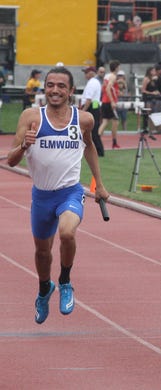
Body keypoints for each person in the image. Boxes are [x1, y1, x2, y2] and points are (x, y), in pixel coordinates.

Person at [6, 66, 110, 324]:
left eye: (61, 86)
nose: (55, 90)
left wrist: (100, 183)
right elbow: (10, 159)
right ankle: (44, 289)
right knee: (42, 253)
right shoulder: (31, 117)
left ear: (71, 91)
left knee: (67, 232)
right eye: (50, 85)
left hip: (70, 192)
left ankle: (65, 281)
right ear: (45, 88)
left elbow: (90, 148)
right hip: (41, 197)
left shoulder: (83, 119)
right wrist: (24, 144)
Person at [79, 66, 104, 157]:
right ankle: (98, 150)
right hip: (95, 106)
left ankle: (98, 150)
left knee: (92, 131)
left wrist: (83, 111)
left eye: (86, 72)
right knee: (93, 130)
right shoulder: (95, 82)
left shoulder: (92, 83)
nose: (85, 74)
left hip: (92, 107)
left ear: (91, 73)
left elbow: (88, 99)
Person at [98, 60, 121, 149]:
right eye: (119, 67)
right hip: (109, 102)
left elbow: (104, 88)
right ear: (116, 67)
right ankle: (114, 142)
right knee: (115, 122)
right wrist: (112, 101)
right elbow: (107, 88)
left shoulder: (106, 76)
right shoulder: (113, 76)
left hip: (105, 101)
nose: (119, 68)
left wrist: (116, 91)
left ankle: (96, 139)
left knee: (105, 122)